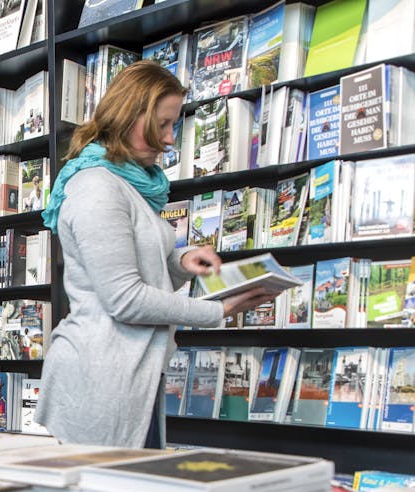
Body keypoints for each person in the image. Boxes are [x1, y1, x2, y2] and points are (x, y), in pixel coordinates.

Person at [36, 61, 278, 448]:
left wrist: (180, 263)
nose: (169, 139)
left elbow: (137, 263)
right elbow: (125, 299)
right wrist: (219, 311)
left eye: (173, 126)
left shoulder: (130, 184)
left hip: (129, 373)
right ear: (129, 115)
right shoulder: (98, 188)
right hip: (100, 378)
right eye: (162, 125)